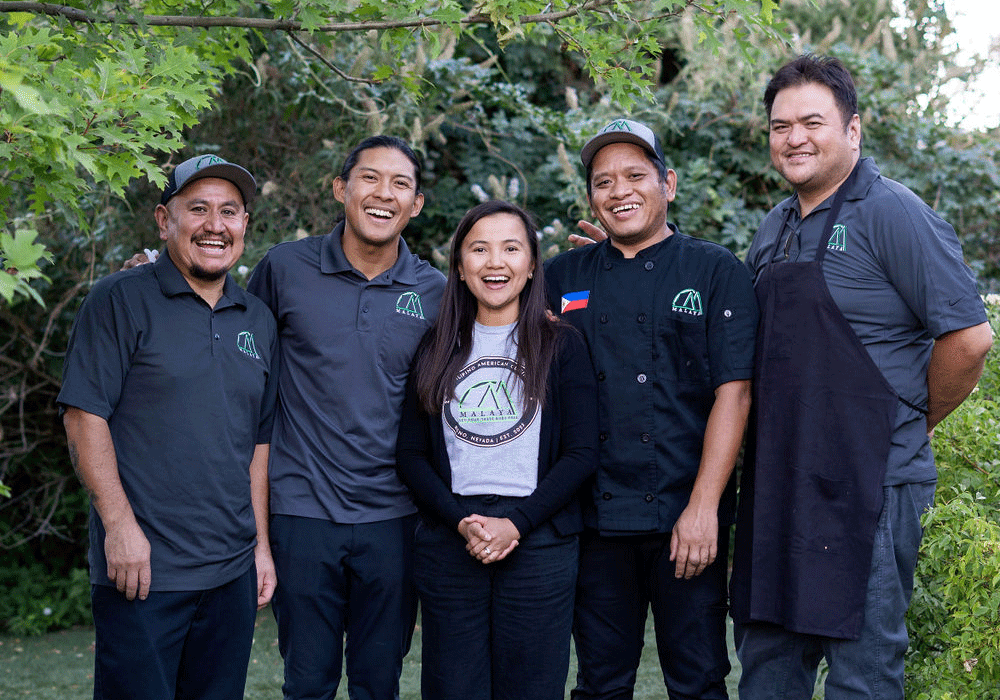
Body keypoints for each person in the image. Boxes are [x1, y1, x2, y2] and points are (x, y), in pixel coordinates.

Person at [730, 54, 994, 699]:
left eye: (812, 121)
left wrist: (907, 420)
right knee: (767, 670)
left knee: (863, 674)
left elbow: (970, 338)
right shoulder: (774, 227)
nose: (794, 137)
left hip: (869, 485)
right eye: (779, 125)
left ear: (853, 128)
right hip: (779, 484)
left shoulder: (892, 212)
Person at [545, 119, 759, 699]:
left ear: (668, 183)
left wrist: (703, 509)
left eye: (635, 176)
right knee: (599, 682)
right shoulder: (563, 276)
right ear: (590, 196)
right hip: (593, 519)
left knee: (697, 681)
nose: (619, 192)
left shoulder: (715, 272)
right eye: (603, 181)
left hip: (684, 517)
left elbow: (733, 394)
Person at [58, 154, 278, 700]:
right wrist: (120, 527)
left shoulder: (257, 319)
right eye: (197, 208)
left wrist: (260, 546)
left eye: (230, 211)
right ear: (164, 220)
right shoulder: (119, 299)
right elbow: (84, 416)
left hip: (230, 574)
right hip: (144, 570)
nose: (215, 225)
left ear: (244, 225)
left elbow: (257, 444)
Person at [245, 135, 446, 700]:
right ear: (341, 188)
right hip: (301, 511)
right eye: (370, 178)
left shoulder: (435, 292)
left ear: (417, 204)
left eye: (400, 184)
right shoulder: (286, 267)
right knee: (307, 681)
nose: (384, 194)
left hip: (396, 517)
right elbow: (232, 345)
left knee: (378, 683)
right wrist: (157, 279)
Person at [395, 200, 599, 700]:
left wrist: (518, 523)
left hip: (539, 541)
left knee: (532, 687)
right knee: (452, 687)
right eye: (479, 249)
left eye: (511, 248)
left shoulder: (561, 345)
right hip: (452, 540)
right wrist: (459, 520)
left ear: (532, 267)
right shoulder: (435, 347)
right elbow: (411, 455)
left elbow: (581, 453)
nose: (495, 262)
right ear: (460, 269)